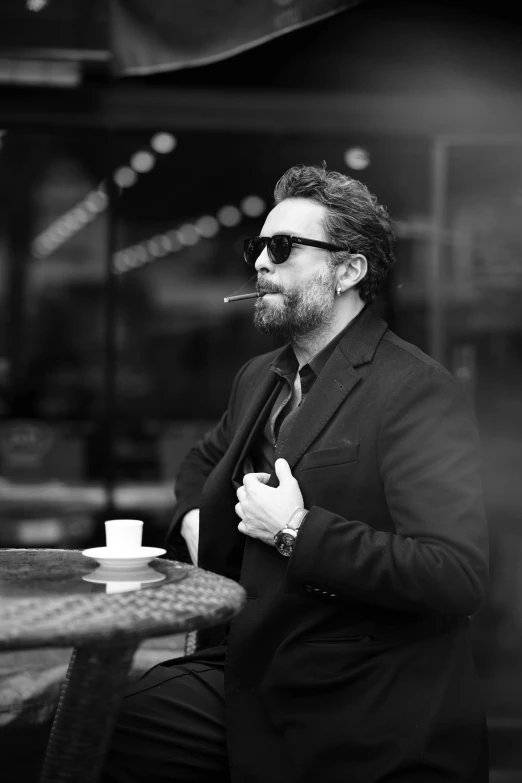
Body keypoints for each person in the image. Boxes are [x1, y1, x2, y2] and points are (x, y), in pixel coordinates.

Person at [102, 163, 489, 783]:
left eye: (282, 248)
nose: (260, 263)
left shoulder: (415, 389)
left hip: (354, 690)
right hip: (252, 662)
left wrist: (297, 530)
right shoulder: (260, 376)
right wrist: (197, 516)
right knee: (104, 723)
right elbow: (204, 460)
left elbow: (455, 575)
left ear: (349, 270)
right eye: (257, 247)